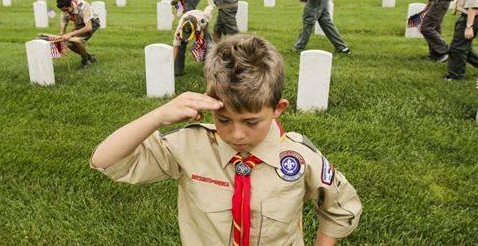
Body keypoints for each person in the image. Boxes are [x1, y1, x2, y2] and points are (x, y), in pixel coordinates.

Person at [91, 34, 362, 245]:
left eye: (251, 121)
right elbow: (105, 160)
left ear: (278, 108)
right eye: (223, 120)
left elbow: (340, 205)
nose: (237, 134)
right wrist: (158, 116)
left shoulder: (300, 158)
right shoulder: (191, 146)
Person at [56, 0, 100, 68]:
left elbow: (88, 27)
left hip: (92, 23)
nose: (65, 12)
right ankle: (89, 57)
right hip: (79, 23)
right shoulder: (64, 10)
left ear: (70, 5)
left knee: (77, 41)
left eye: (66, 10)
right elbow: (63, 24)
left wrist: (70, 34)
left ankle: (86, 61)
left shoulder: (82, 6)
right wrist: (61, 35)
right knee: (68, 43)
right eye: (63, 10)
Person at [172, 5, 214, 76]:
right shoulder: (180, 27)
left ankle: (209, 69)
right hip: (188, 16)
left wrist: (201, 42)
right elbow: (176, 45)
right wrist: (171, 61)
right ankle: (177, 71)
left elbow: (209, 10)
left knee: (208, 44)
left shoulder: (203, 20)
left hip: (202, 26)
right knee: (180, 46)